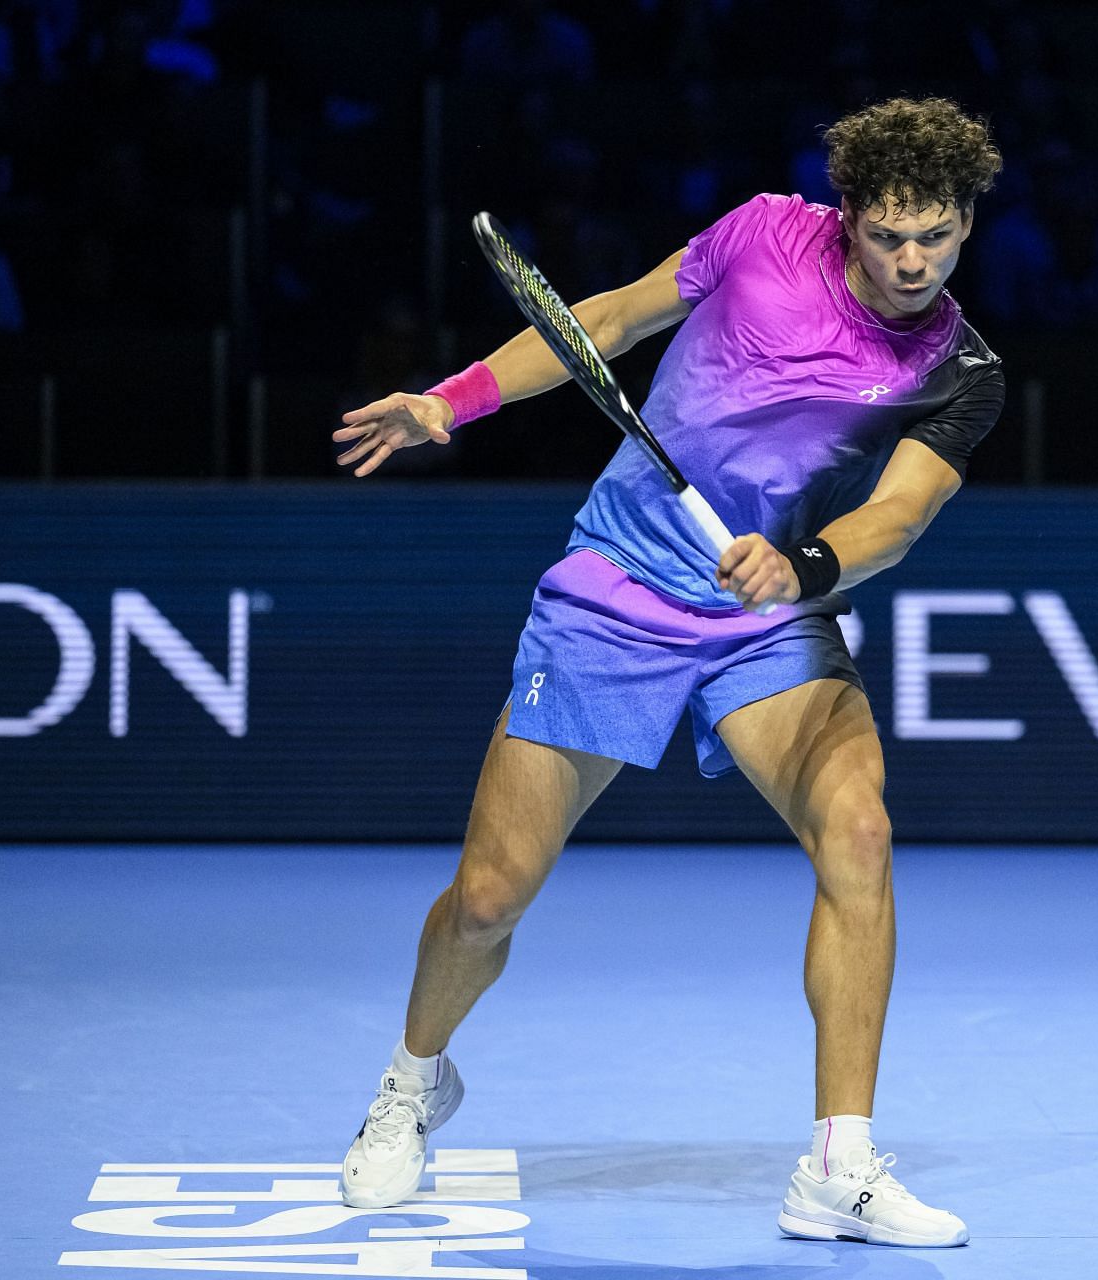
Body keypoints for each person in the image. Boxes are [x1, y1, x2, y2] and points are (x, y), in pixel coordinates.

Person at [327, 97, 1004, 1248]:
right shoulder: (759, 236)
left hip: (767, 608)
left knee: (861, 834)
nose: (911, 261)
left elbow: (900, 515)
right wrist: (454, 400)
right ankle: (412, 1080)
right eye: (890, 234)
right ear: (847, 217)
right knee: (487, 899)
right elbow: (603, 322)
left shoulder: (958, 367)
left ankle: (838, 1161)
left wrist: (806, 563)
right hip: (619, 588)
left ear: (965, 226)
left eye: (936, 236)